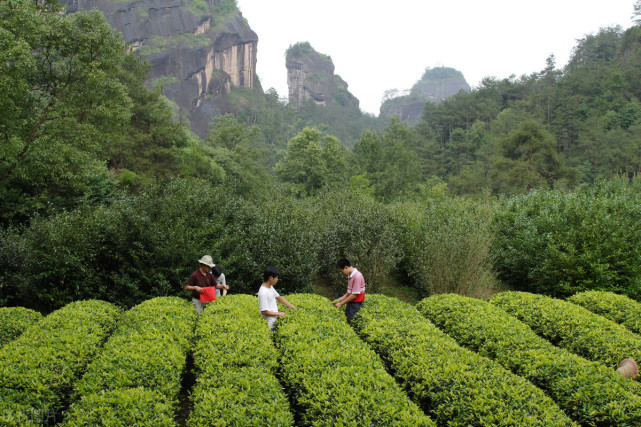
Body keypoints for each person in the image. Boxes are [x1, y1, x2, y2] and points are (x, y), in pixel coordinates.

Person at [332, 258, 366, 324]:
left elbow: (354, 295)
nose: (342, 273)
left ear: (346, 267)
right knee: (346, 320)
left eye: (341, 271)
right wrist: (338, 300)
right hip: (350, 303)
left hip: (355, 305)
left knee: (350, 322)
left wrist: (341, 304)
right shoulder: (351, 275)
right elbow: (349, 293)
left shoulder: (357, 276)